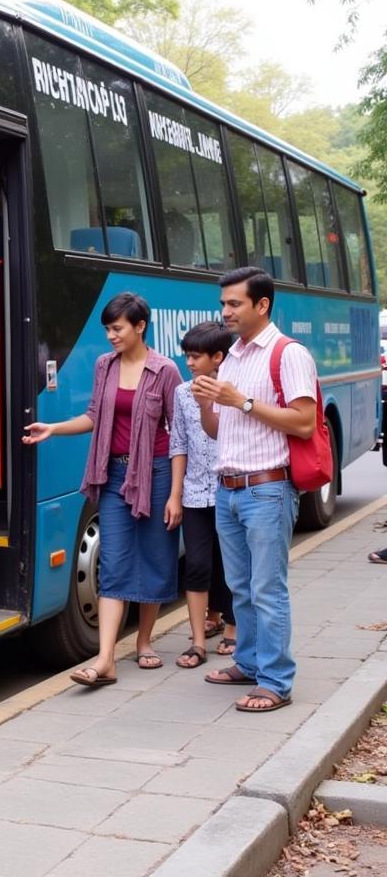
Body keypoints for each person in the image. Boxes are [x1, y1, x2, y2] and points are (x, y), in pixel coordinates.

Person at [23, 292, 181, 686]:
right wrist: (54, 428)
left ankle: (144, 642)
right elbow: (94, 415)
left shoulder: (164, 371)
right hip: (112, 474)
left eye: (117, 328)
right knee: (113, 560)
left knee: (155, 555)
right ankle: (106, 658)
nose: (111, 336)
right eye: (108, 329)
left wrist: (176, 493)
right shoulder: (104, 366)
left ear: (139, 327)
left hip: (156, 473)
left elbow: (179, 436)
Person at [193, 266, 318, 714]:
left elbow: (304, 421)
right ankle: (247, 662)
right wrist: (209, 400)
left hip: (267, 488)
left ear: (262, 305)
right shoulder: (235, 355)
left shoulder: (288, 354)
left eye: (234, 304)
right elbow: (216, 431)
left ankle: (276, 681)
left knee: (268, 588)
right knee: (240, 587)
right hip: (228, 488)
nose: (224, 311)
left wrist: (241, 401)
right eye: (223, 303)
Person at [168, 321, 237, 668]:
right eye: (188, 356)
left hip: (229, 491)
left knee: (231, 565)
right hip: (194, 494)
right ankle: (197, 642)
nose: (190, 363)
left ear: (218, 357)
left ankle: (234, 630)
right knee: (195, 565)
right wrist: (175, 494)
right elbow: (178, 443)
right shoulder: (181, 393)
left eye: (196, 357)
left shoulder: (233, 391)